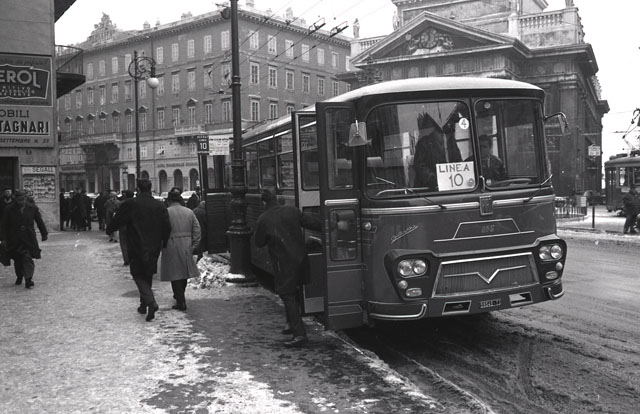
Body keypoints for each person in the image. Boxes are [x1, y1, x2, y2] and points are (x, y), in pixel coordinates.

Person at [254, 189, 321, 348]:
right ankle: (290, 324)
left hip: (283, 263)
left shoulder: (264, 219)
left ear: (264, 202)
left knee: (287, 295)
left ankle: (299, 335)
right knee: (293, 291)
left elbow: (259, 242)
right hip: (301, 259)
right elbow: (312, 223)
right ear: (276, 199)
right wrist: (333, 224)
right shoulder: (292, 211)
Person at [107, 179, 171, 321]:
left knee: (137, 274)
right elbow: (167, 226)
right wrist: (164, 242)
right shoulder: (159, 205)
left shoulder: (131, 204)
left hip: (136, 244)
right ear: (150, 188)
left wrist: (109, 229)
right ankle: (143, 305)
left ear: (138, 189)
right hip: (154, 245)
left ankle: (150, 302)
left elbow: (118, 220)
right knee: (148, 273)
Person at [160, 187, 201, 311]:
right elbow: (197, 230)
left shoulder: (166, 212)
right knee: (184, 272)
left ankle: (180, 300)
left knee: (175, 274)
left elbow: (160, 230)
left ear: (169, 200)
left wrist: (161, 245)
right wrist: (193, 245)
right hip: (186, 244)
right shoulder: (189, 212)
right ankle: (180, 295)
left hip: (170, 244)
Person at [0, 189, 48, 288]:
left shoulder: (32, 208)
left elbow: (39, 221)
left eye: (22, 199)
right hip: (14, 238)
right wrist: (3, 239)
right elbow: (3, 225)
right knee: (17, 260)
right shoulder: (9, 209)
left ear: (25, 198)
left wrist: (44, 233)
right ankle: (19, 275)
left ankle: (28, 279)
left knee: (27, 258)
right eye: (19, 200)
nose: (21, 202)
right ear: (15, 199)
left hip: (28, 238)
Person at [413, 113, 462, 188]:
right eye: (450, 123)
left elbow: (458, 160)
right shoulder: (424, 143)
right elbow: (419, 166)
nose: (453, 126)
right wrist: (435, 179)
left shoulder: (451, 141)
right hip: (429, 190)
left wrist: (462, 171)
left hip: (451, 186)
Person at [117, 190, 134, 266]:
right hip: (133, 226)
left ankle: (126, 259)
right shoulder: (136, 203)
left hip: (123, 226)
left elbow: (117, 216)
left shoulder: (122, 204)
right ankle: (132, 258)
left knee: (123, 243)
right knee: (132, 243)